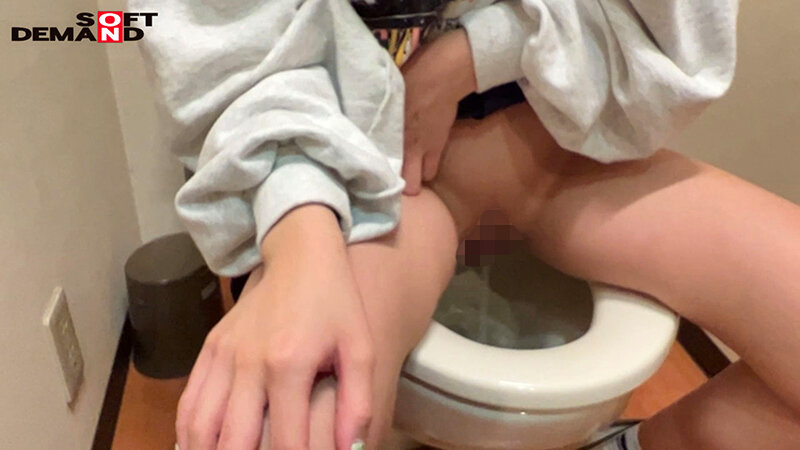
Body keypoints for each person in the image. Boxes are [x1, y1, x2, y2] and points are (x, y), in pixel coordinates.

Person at [131, 1, 800, 449]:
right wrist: (302, 245)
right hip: (382, 173)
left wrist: (477, 54)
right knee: (286, 420)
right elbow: (209, 34)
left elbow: (674, 38)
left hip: (554, 152)